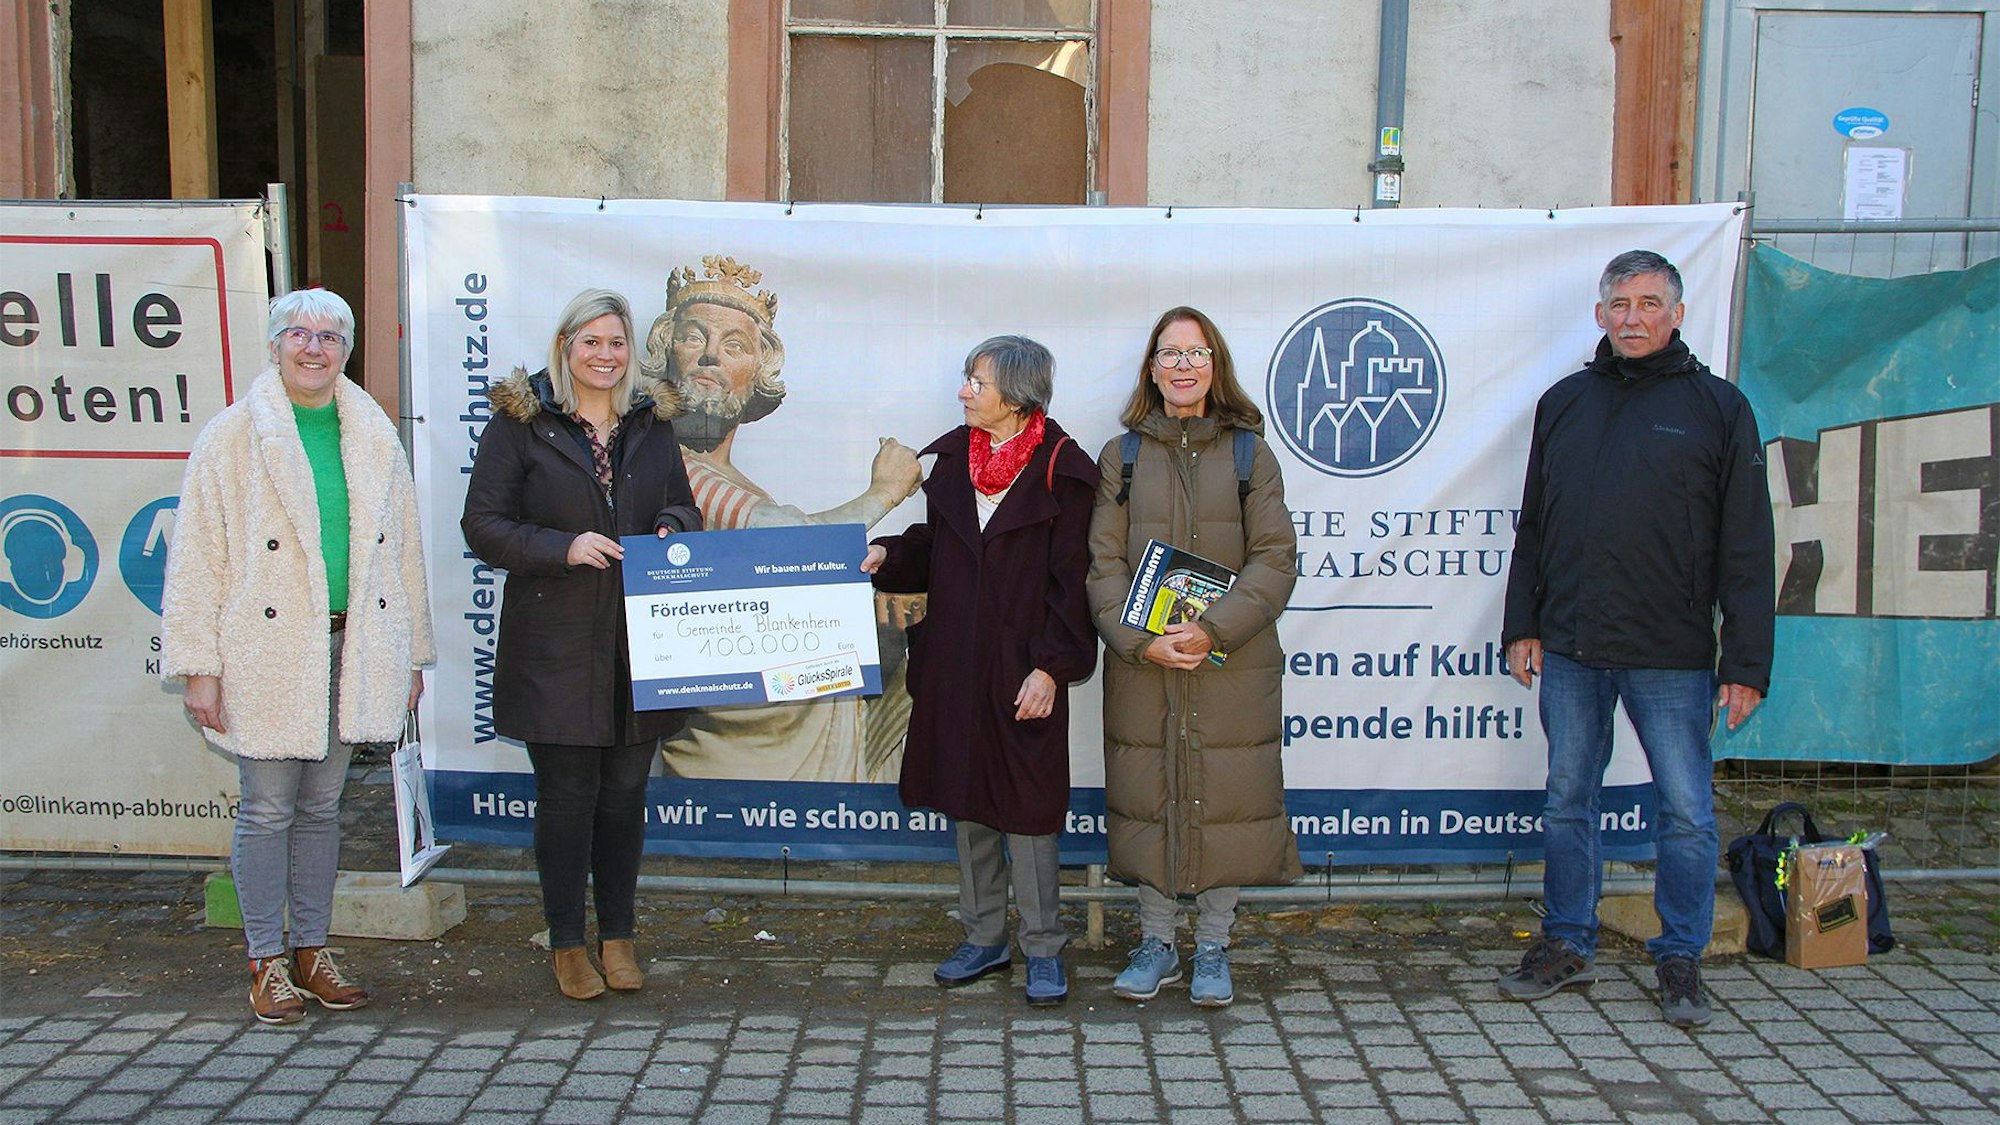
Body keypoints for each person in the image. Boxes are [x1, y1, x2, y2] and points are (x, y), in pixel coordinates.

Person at [1498, 250, 1775, 1029]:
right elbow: (1535, 526)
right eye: (1620, 304)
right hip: (1573, 646)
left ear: (1678, 315)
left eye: (1650, 303)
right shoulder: (1565, 404)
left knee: (1685, 810)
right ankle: (1567, 940)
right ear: (1600, 315)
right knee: (1568, 800)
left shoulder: (1719, 409)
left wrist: (1746, 661)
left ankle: (1680, 954)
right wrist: (1523, 623)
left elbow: (1748, 545)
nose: (1633, 318)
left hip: (1671, 652)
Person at [161, 288, 434, 1025]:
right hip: (267, 650)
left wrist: (411, 653)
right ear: (275, 343)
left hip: (353, 643)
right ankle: (266, 960)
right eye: (299, 334)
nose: (314, 348)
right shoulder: (232, 436)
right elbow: (197, 559)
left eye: (330, 336)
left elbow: (402, 553)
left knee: (320, 807)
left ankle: (312, 949)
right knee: (267, 807)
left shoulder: (373, 434)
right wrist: (199, 666)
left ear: (347, 350)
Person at [461, 288, 702, 1001]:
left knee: (625, 796)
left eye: (616, 342)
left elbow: (684, 503)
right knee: (567, 798)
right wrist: (562, 547)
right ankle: (567, 940)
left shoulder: (651, 421)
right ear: (565, 346)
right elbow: (483, 525)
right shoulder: (520, 422)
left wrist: (673, 527)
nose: (605, 355)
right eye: (590, 341)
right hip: (556, 645)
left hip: (642, 643)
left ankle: (618, 935)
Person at [861, 336, 1098, 1006]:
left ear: (1018, 396)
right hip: (955, 664)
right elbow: (934, 547)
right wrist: (888, 555)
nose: (964, 391)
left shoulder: (1063, 471)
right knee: (967, 801)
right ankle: (985, 936)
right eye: (967, 378)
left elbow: (1073, 581)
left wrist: (1051, 668)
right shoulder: (951, 462)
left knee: (1028, 811)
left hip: (1025, 669)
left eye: (978, 382)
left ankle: (1044, 947)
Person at [1086, 306, 1301, 1008]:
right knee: (1151, 796)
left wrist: (1213, 631)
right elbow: (1103, 563)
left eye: (1197, 352)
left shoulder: (1249, 455)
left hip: (1231, 661)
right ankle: (1156, 942)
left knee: (1224, 797)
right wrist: (1140, 641)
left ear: (1216, 365)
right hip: (1145, 663)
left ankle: (1212, 945)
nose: (1183, 365)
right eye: (1170, 353)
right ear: (1151, 369)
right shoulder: (1120, 457)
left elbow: (1275, 559)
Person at [639, 256, 923, 783]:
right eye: (693, 338)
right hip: (727, 723)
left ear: (758, 374)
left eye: (734, 346)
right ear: (666, 354)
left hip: (778, 701)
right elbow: (796, 541)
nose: (710, 357)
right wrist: (885, 492)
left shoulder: (739, 485)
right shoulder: (670, 466)